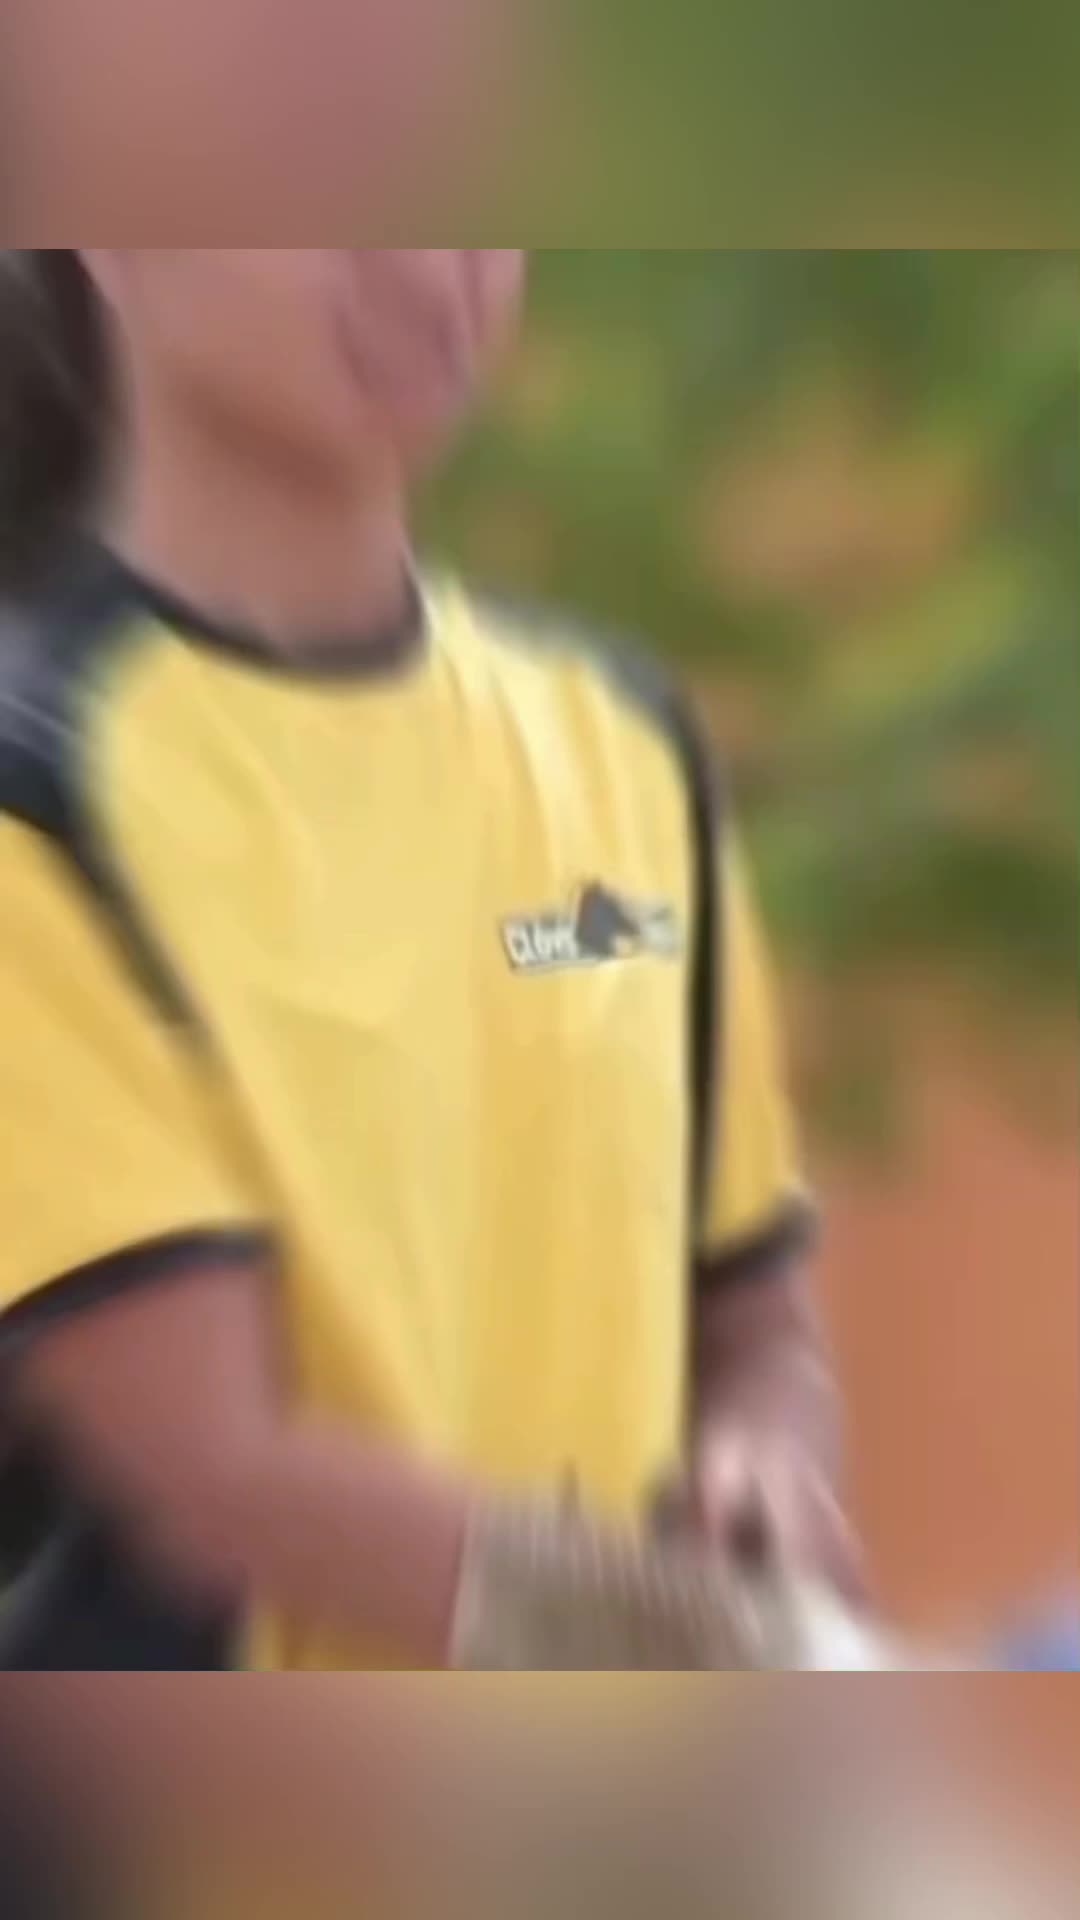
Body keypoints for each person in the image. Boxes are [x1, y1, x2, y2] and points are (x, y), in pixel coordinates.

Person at [0, 249, 860, 1673]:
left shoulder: (628, 739)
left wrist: (763, 1459)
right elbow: (218, 1476)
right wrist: (764, 1658)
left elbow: (755, 1323)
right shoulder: (41, 784)